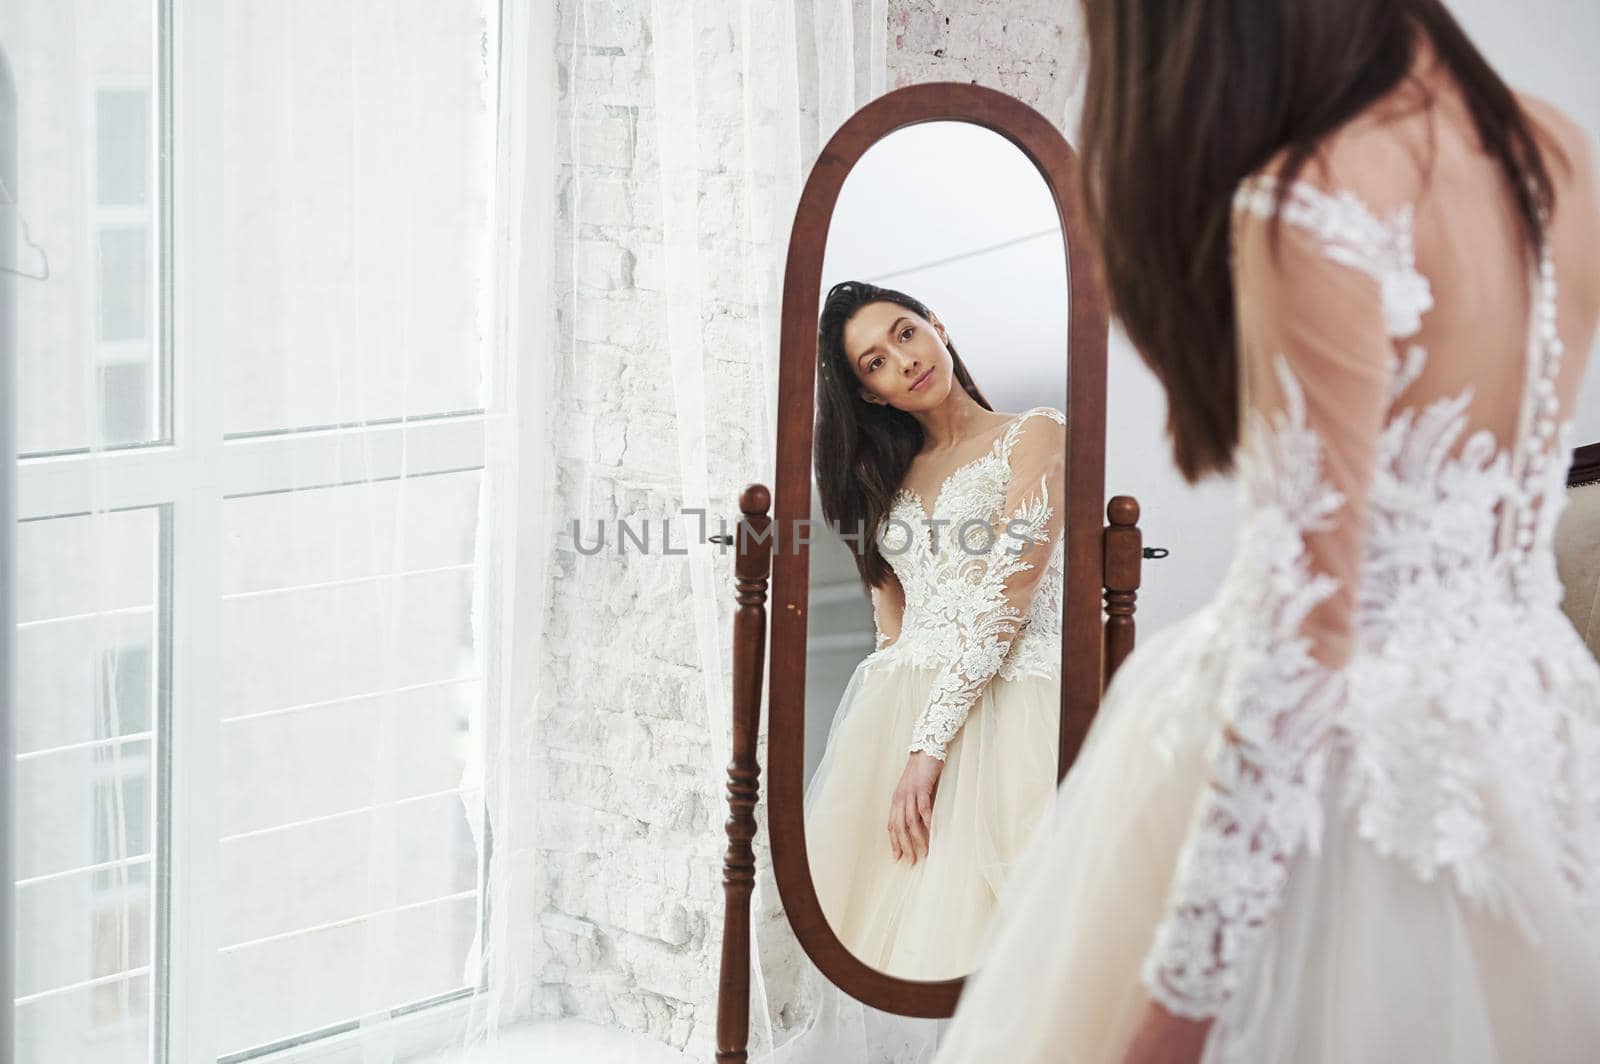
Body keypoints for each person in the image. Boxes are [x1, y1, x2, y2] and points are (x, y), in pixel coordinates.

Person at [933, 3, 1600, 1062]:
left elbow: (1307, 645)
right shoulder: (1555, 147)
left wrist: (1174, 1008)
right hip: (1532, 730)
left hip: (1349, 788)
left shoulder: (1316, 199)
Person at [799, 280, 1067, 985]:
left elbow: (1009, 598)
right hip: (898, 711)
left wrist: (928, 749)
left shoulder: (1034, 432)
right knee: (902, 925)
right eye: (874, 363)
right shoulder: (879, 480)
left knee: (1019, 938)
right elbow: (892, 631)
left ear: (937, 326)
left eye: (904, 333)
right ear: (871, 396)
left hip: (1010, 699)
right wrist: (888, 750)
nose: (902, 360)